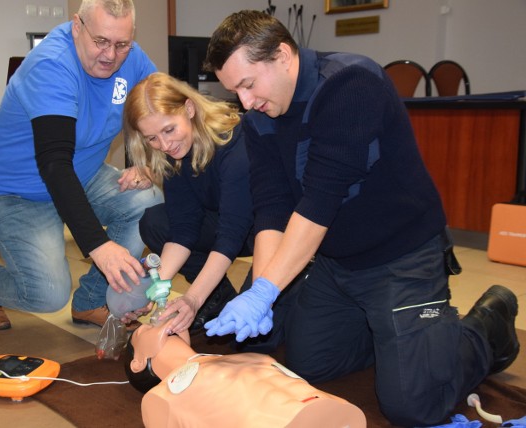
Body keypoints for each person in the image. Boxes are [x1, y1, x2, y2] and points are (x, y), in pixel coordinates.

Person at [201, 10, 520, 426]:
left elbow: (318, 203)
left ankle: (485, 327)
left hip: (403, 257)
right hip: (338, 264)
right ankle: (398, 341)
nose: (245, 102)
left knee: (411, 406)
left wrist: (263, 292)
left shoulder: (350, 84)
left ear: (282, 55)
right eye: (234, 92)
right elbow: (272, 208)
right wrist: (262, 295)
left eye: (247, 84)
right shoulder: (261, 115)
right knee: (308, 363)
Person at [0, 0, 162, 331]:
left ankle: (90, 302)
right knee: (47, 295)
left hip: (81, 173)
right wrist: (98, 246)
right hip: (12, 191)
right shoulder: (52, 66)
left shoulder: (133, 58)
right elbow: (54, 163)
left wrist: (149, 164)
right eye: (100, 41)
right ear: (77, 26)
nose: (111, 55)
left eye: (121, 44)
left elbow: (165, 111)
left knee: (147, 198)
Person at [122, 72, 253, 333]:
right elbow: (183, 228)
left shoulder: (232, 141)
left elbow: (232, 232)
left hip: (266, 229)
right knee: (156, 222)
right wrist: (154, 290)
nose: (165, 144)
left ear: (189, 109)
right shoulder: (172, 153)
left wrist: (192, 298)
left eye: (169, 129)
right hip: (226, 223)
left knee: (260, 337)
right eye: (152, 138)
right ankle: (215, 297)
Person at [124, 318, 367, 428]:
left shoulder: (242, 356)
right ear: (138, 362)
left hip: (326, 407)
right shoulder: (160, 397)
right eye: (144, 328)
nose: (155, 320)